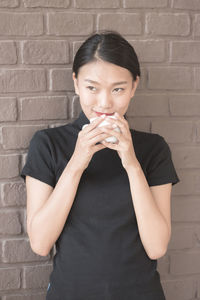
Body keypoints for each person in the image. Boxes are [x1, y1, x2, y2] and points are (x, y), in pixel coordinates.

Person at [20, 30, 180, 300]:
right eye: (92, 88)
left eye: (118, 89)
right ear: (76, 84)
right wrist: (77, 162)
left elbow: (156, 247)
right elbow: (40, 243)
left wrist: (131, 164)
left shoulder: (153, 149)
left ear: (134, 86)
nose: (105, 103)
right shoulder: (48, 144)